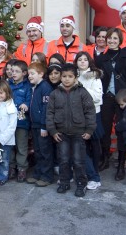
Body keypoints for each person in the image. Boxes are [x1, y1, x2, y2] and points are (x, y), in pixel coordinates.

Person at [96, 27, 126, 180]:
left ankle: (121, 164)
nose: (112, 41)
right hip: (106, 98)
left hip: (122, 99)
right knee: (105, 130)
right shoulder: (101, 58)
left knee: (122, 131)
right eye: (110, 38)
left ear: (120, 40)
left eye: (115, 38)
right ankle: (105, 159)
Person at [46, 63, 96, 197]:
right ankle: (64, 182)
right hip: (61, 134)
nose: (66, 79)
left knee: (79, 161)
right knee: (63, 160)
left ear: (75, 77)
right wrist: (53, 131)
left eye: (70, 76)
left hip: (79, 133)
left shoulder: (82, 92)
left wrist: (90, 129)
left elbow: (90, 111)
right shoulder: (55, 94)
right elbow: (49, 113)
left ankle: (81, 184)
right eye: (64, 76)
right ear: (60, 77)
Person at [74, 51, 104, 190]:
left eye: (85, 59)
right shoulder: (72, 75)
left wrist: (81, 87)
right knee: (80, 148)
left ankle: (94, 176)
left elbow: (98, 97)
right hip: (76, 116)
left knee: (94, 146)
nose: (82, 62)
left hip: (92, 114)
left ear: (89, 61)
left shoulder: (95, 76)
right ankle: (84, 174)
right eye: (79, 59)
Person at [26, 62, 54, 187]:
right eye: (28, 74)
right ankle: (38, 173)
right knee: (37, 151)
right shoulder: (35, 87)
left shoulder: (45, 87)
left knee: (45, 151)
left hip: (42, 126)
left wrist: (44, 126)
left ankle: (47, 176)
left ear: (41, 74)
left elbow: (46, 108)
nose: (29, 76)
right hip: (35, 124)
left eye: (32, 73)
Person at [8, 60, 32, 182]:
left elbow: (29, 100)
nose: (14, 73)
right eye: (12, 71)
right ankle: (11, 167)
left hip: (21, 122)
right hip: (8, 121)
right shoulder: (8, 85)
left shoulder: (27, 86)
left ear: (24, 73)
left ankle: (22, 168)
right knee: (10, 145)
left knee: (21, 147)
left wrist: (26, 105)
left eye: (17, 71)